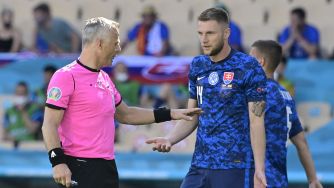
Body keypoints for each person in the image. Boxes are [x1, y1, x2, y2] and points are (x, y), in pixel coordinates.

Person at [41, 17, 201, 188]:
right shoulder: (65, 76)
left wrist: (171, 114)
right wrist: (57, 162)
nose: (118, 48)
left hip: (107, 167)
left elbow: (126, 114)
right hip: (79, 167)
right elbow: (49, 124)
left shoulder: (104, 78)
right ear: (100, 43)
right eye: (115, 43)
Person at [146, 8, 267, 188]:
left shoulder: (248, 66)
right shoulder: (198, 65)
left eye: (210, 33)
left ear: (226, 33)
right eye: (200, 33)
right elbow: (193, 114)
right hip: (199, 165)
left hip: (234, 166)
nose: (204, 39)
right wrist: (170, 139)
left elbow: (256, 121)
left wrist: (259, 169)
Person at [249, 40, 323, 188]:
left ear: (260, 62)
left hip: (258, 177)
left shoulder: (259, 91)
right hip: (278, 178)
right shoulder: (286, 95)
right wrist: (312, 179)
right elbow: (301, 142)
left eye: (249, 58)